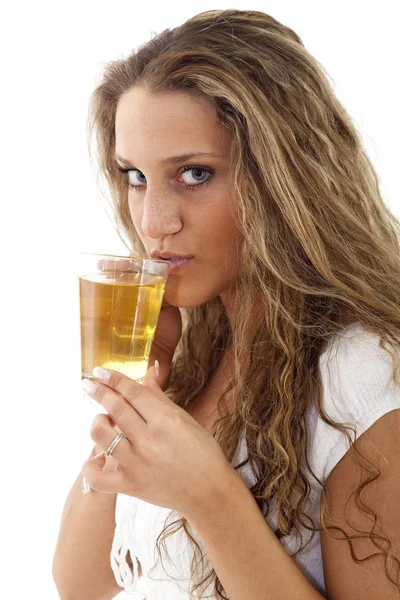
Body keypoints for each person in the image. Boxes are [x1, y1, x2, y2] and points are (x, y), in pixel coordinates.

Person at [52, 8, 400, 600]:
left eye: (193, 173)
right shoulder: (201, 349)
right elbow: (79, 582)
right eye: (135, 175)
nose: (153, 222)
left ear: (285, 179)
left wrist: (211, 499)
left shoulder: (364, 381)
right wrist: (137, 392)